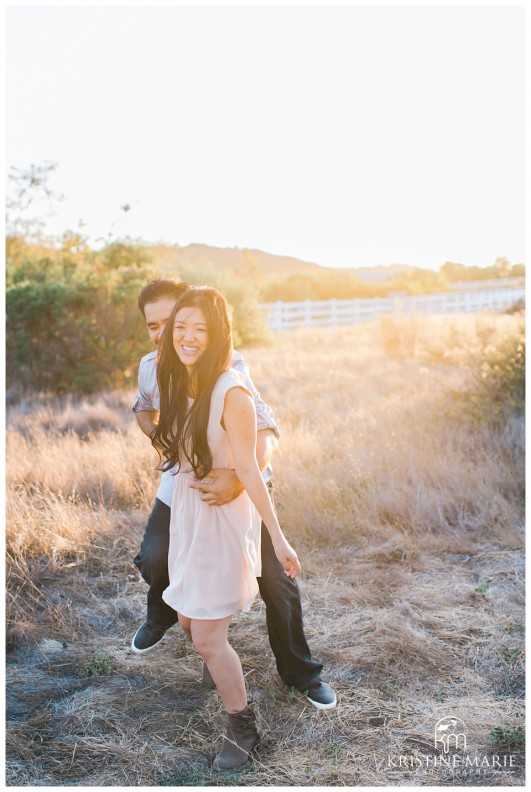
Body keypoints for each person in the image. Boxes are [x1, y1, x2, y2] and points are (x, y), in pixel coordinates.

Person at [131, 279, 337, 712]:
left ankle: (301, 673)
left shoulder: (228, 368)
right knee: (155, 558)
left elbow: (265, 431)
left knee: (277, 582)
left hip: (239, 481)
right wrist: (165, 439)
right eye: (159, 325)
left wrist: (238, 480)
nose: (170, 332)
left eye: (180, 321)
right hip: (183, 485)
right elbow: (143, 409)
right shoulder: (151, 366)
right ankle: (174, 616)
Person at [152, 285, 303, 768]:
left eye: (200, 329)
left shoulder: (231, 391)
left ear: (219, 335)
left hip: (222, 523)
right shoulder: (180, 381)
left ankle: (243, 724)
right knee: (187, 619)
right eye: (182, 327)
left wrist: (277, 539)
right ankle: (218, 667)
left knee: (208, 637)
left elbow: (252, 470)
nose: (188, 337)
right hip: (190, 518)